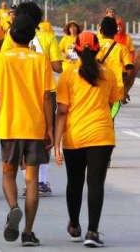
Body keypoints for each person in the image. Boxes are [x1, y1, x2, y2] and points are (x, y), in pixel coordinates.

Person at [0, 14, 54, 247]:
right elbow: (46, 98)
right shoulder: (41, 61)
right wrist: (49, 128)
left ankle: (13, 208)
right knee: (31, 180)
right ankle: (28, 232)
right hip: (34, 127)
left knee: (8, 173)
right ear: (32, 36)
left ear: (11, 34)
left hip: (10, 127)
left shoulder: (2, 59)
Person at [54, 31, 120, 248]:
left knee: (74, 183)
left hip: (75, 136)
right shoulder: (108, 73)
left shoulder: (68, 74)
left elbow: (62, 111)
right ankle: (92, 232)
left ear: (77, 49)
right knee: (95, 183)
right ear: (98, 49)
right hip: (102, 135)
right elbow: (111, 104)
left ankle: (74, 227)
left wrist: (56, 143)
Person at [96, 16, 133, 116]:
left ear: (100, 30)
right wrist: (125, 81)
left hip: (98, 88)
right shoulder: (122, 48)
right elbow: (129, 69)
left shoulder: (95, 46)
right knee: (110, 118)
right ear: (116, 32)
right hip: (116, 89)